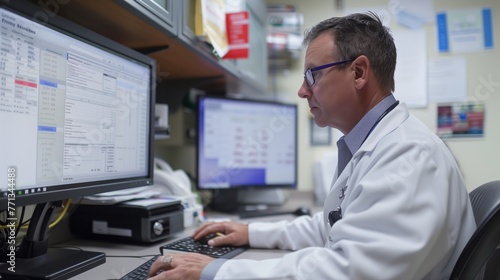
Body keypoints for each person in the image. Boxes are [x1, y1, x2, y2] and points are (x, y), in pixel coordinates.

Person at [148, 12, 477, 280]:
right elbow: (332, 225)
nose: (302, 92)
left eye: (312, 76)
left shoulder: (407, 157)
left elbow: (347, 273)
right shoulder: (379, 144)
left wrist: (218, 270)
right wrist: (251, 233)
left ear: (358, 72)